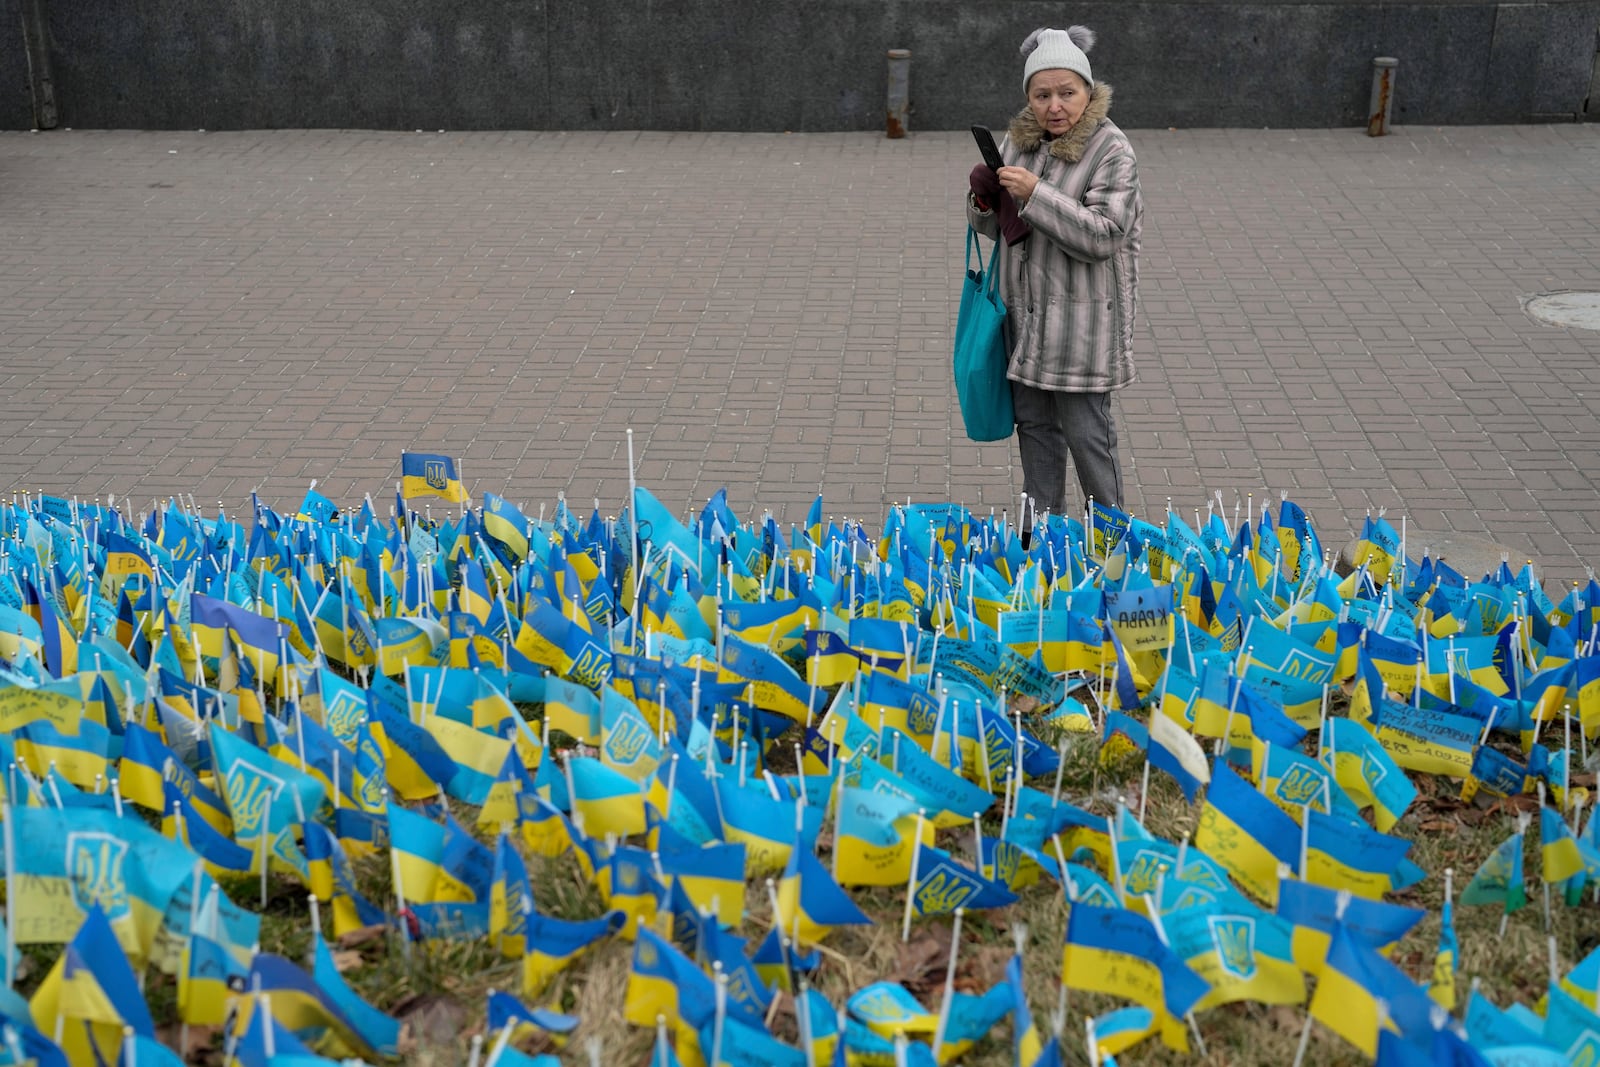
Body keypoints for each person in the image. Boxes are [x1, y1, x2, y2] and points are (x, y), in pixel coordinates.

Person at [967, 25, 1143, 536]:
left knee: (1090, 438)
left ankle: (1113, 541)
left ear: (1089, 91)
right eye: (1042, 94)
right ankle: (1041, 537)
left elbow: (1105, 234)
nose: (1055, 106)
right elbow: (996, 227)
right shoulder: (1018, 142)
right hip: (1025, 322)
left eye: (1067, 92)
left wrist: (1035, 194)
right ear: (1029, 97)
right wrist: (982, 202)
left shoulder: (1112, 150)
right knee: (1037, 432)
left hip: (1084, 329)